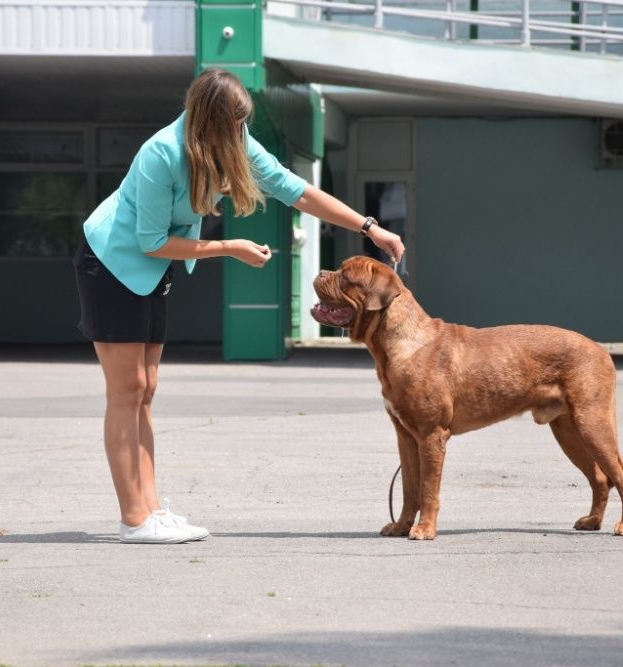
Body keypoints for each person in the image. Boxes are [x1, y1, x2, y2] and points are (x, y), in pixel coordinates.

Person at [73, 68, 405, 544]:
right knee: (125, 392)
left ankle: (151, 509)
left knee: (145, 389)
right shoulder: (161, 154)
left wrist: (369, 228)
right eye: (232, 123)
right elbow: (149, 241)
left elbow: (296, 190)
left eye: (241, 123)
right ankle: (133, 518)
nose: (240, 132)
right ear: (208, 120)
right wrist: (229, 247)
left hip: (148, 272)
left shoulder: (235, 139)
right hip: (110, 265)